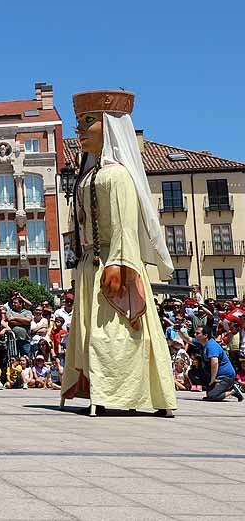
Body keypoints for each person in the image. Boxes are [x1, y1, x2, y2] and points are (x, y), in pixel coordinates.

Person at [61, 90, 178, 418]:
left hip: (113, 266)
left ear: (110, 127)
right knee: (98, 334)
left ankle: (127, 391)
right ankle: (102, 390)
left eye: (88, 122)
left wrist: (121, 264)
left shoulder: (118, 176)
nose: (80, 131)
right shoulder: (89, 176)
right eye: (78, 124)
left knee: (115, 334)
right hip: (90, 266)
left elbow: (125, 226)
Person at [195, 326, 244, 402]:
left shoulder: (212, 346)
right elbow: (188, 339)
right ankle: (227, 388)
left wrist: (213, 379)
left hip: (226, 376)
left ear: (205, 335)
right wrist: (179, 330)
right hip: (218, 375)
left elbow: (214, 363)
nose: (195, 334)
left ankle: (233, 391)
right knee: (209, 395)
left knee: (212, 396)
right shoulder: (202, 343)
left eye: (197, 333)